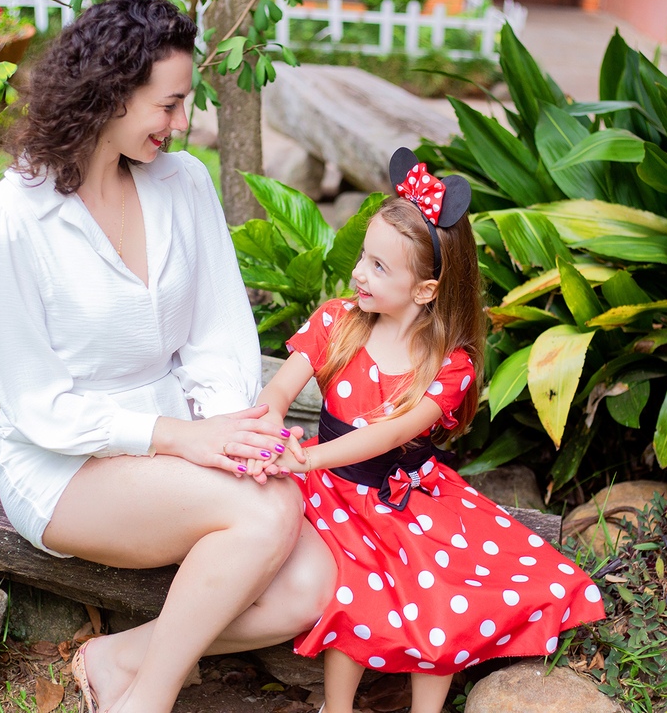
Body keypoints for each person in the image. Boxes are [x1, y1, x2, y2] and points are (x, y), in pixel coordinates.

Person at [0, 0, 335, 713]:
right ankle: (149, 700)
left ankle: (118, 658)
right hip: (65, 461)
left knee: (309, 587)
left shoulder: (184, 183)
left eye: (184, 102)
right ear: (108, 95)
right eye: (168, 105)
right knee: (265, 519)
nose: (181, 122)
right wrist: (182, 440)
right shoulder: (9, 221)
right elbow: (38, 405)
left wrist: (236, 435)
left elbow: (218, 335)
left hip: (177, 435)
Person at [253, 148, 607, 713]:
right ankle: (335, 709)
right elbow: (281, 386)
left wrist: (308, 459)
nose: (358, 273)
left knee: (440, 594)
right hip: (330, 493)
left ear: (425, 291)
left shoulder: (449, 366)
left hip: (401, 495)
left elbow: (387, 435)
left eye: (378, 267)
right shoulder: (337, 320)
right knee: (353, 587)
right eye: (364, 257)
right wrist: (272, 414)